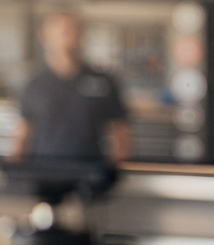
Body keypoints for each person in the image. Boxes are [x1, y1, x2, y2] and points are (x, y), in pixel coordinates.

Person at [9, 11, 131, 163]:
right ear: (45, 36)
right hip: (43, 172)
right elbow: (23, 132)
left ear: (81, 35)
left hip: (90, 174)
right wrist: (15, 170)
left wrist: (115, 170)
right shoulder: (32, 83)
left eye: (73, 30)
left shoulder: (103, 81)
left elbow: (120, 131)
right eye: (62, 32)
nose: (67, 37)